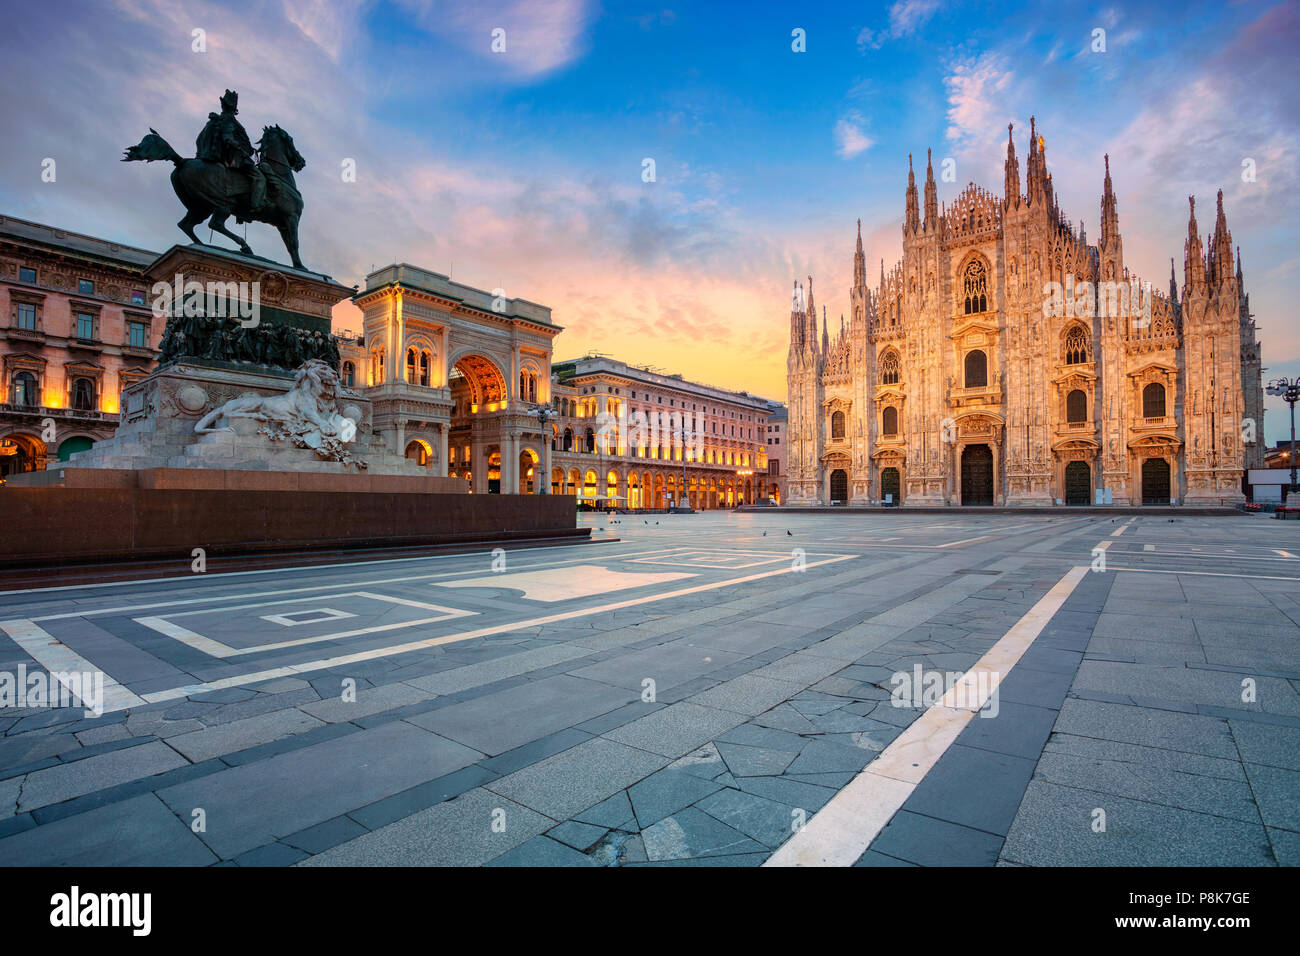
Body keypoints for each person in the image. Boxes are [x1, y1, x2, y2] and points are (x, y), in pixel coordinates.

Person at [195, 90, 267, 218]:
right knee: (259, 178)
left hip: (227, 157)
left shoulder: (219, 119)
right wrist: (240, 148)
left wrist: (249, 148)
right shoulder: (228, 120)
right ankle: (254, 207)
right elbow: (228, 137)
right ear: (233, 107)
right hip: (235, 158)